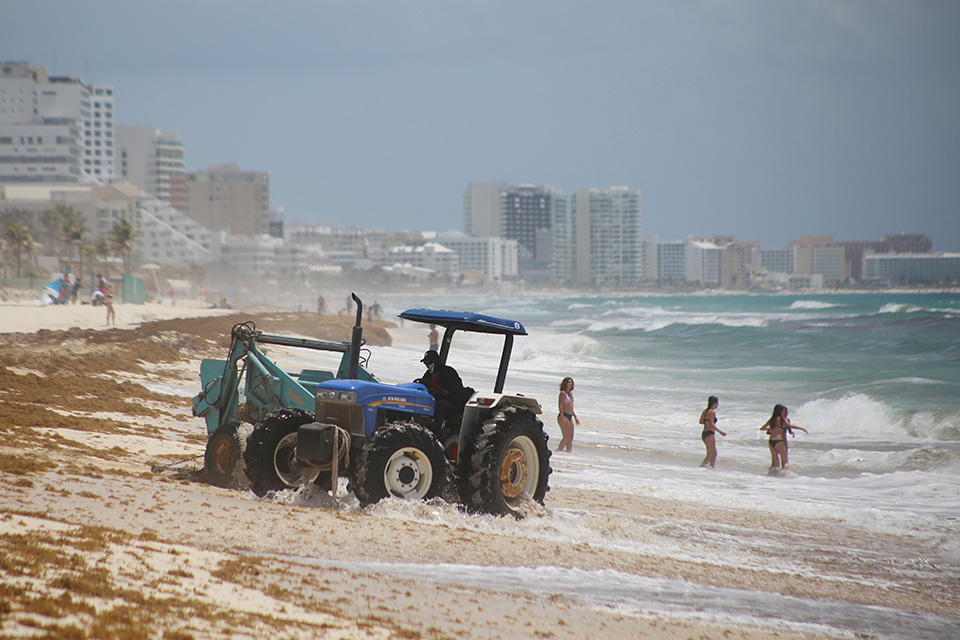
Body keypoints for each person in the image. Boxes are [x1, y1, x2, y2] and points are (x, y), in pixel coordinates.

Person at [415, 350, 466, 437]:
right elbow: (422, 384)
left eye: (428, 362)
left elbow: (457, 389)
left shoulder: (449, 372)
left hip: (451, 403)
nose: (427, 365)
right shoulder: (428, 375)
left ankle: (435, 432)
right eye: (425, 363)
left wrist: (444, 392)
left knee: (440, 405)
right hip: (432, 401)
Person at [760, 404, 807, 472]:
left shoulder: (772, 419)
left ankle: (772, 476)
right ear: (780, 411)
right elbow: (790, 426)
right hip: (780, 441)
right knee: (785, 462)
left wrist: (771, 428)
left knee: (775, 463)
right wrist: (802, 428)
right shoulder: (782, 419)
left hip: (771, 441)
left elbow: (762, 428)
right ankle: (785, 477)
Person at [699, 395, 726, 468]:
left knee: (714, 454)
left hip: (705, 433)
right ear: (714, 403)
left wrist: (707, 421)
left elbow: (701, 421)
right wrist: (720, 432)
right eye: (717, 403)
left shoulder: (705, 411)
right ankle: (701, 467)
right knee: (710, 454)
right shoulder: (712, 412)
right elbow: (711, 423)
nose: (718, 404)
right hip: (709, 434)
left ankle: (711, 468)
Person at [556, 377, 579, 452]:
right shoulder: (563, 393)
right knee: (566, 437)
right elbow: (560, 405)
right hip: (564, 415)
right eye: (569, 382)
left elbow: (571, 407)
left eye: (571, 382)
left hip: (570, 416)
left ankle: (568, 452)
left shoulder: (570, 394)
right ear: (565, 383)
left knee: (571, 437)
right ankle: (558, 451)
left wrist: (575, 417)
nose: (570, 384)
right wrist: (562, 416)